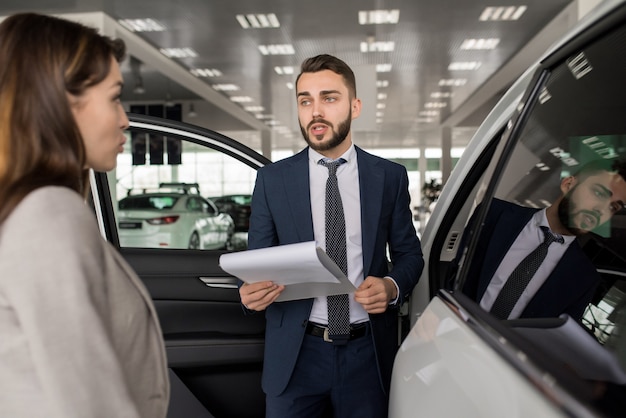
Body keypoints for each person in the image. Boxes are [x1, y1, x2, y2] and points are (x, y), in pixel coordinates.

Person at [0, 13, 169, 417]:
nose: (125, 118)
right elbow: (89, 404)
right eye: (113, 97)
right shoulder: (49, 215)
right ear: (61, 103)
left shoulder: (26, 207)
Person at [239, 54, 424, 417]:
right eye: (305, 100)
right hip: (296, 358)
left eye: (329, 98)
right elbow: (257, 264)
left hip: (366, 355)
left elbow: (410, 256)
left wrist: (391, 287)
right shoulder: (272, 180)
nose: (315, 111)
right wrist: (249, 295)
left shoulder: (388, 177)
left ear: (355, 106)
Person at [459, 158, 626, 321]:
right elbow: (451, 270)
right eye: (599, 193)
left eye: (613, 207)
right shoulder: (493, 214)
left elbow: (557, 338)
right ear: (568, 185)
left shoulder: (585, 278)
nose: (602, 209)